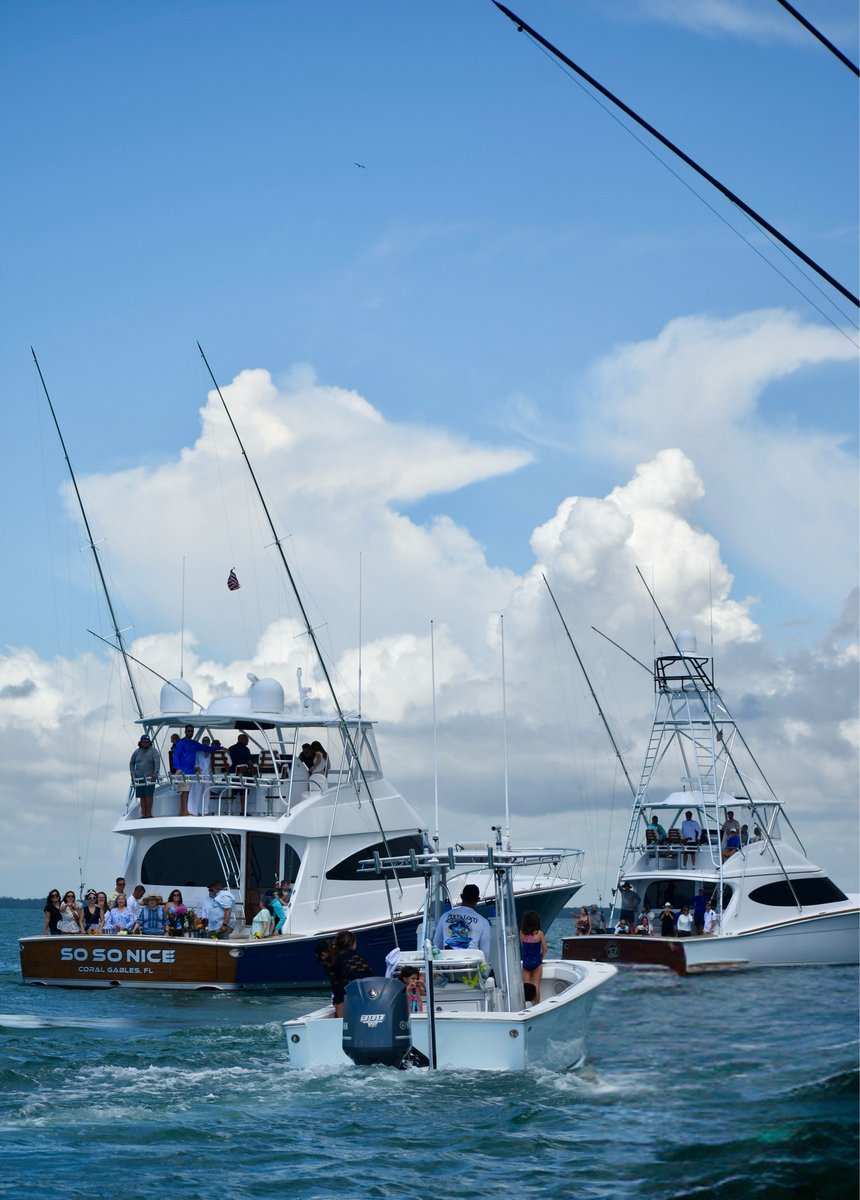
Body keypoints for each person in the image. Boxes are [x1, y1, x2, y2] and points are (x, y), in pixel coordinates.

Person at [318, 930, 373, 1017]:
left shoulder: (331, 960)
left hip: (346, 998)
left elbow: (337, 986)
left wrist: (337, 1003)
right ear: (353, 944)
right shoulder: (356, 957)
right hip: (366, 995)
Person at [433, 883, 492, 957]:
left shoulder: (445, 916)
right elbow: (485, 953)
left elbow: (437, 943)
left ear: (461, 897)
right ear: (478, 899)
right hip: (471, 962)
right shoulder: (483, 922)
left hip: (448, 961)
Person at [173, 725, 215, 816]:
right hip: (183, 771)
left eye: (192, 731)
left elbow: (207, 748)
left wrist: (221, 748)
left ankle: (187, 810)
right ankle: (184, 811)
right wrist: (177, 768)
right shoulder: (181, 743)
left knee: (188, 791)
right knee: (184, 791)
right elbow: (176, 755)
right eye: (189, 731)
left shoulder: (194, 744)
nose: (190, 733)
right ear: (185, 731)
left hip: (191, 772)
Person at [129, 734, 159, 819]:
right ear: (140, 742)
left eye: (147, 741)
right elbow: (131, 763)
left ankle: (149, 814)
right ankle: (144, 814)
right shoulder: (136, 752)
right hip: (139, 778)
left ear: (149, 742)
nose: (145, 743)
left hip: (150, 778)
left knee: (148, 796)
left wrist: (155, 772)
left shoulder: (153, 751)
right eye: (143, 741)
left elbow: (157, 762)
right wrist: (132, 773)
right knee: (142, 796)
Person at [520, 910, 547, 1003]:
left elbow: (523, 947)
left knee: (526, 986)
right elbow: (545, 949)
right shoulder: (539, 934)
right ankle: (536, 1005)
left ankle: (526, 1004)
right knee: (536, 985)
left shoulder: (521, 933)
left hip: (526, 962)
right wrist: (540, 958)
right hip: (536, 962)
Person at [189, 736, 213, 816]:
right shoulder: (198, 752)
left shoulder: (211, 753)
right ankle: (194, 811)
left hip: (208, 775)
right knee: (196, 793)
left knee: (207, 793)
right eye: (204, 741)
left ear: (209, 743)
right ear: (202, 742)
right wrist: (197, 770)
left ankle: (205, 811)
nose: (206, 742)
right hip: (198, 775)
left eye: (207, 740)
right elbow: (195, 763)